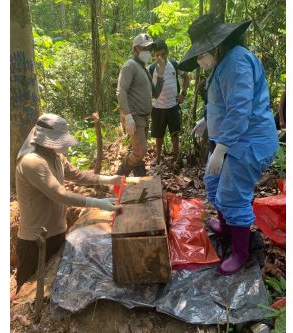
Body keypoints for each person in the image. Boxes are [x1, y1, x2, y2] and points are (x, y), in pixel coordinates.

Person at [180, 15, 279, 275]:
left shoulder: (236, 61)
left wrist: (221, 148)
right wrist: (206, 119)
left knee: (233, 195)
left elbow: (239, 109)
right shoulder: (224, 62)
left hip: (248, 142)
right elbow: (224, 102)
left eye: (201, 55)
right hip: (230, 139)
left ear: (214, 46)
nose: (200, 61)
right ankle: (226, 226)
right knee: (213, 182)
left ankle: (241, 251)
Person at [15, 113, 123, 289]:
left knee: (51, 283)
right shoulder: (32, 162)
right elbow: (60, 194)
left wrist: (108, 179)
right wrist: (97, 203)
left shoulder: (55, 157)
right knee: (27, 287)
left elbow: (79, 175)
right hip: (35, 241)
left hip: (57, 232)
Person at [116, 33, 166, 176]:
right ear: (136, 48)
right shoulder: (129, 66)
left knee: (138, 149)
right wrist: (127, 115)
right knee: (141, 151)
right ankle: (119, 176)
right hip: (134, 115)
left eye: (150, 48)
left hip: (143, 116)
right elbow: (121, 91)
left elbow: (155, 94)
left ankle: (140, 176)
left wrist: (160, 75)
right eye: (145, 48)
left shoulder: (143, 68)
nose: (148, 52)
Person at [148, 39, 190, 164]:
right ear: (154, 56)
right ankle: (158, 158)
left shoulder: (175, 64)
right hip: (157, 107)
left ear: (167, 52)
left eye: (162, 54)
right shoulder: (151, 69)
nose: (160, 57)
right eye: (157, 55)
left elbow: (186, 77)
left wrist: (183, 93)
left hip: (173, 106)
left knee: (175, 134)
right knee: (158, 135)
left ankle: (176, 157)